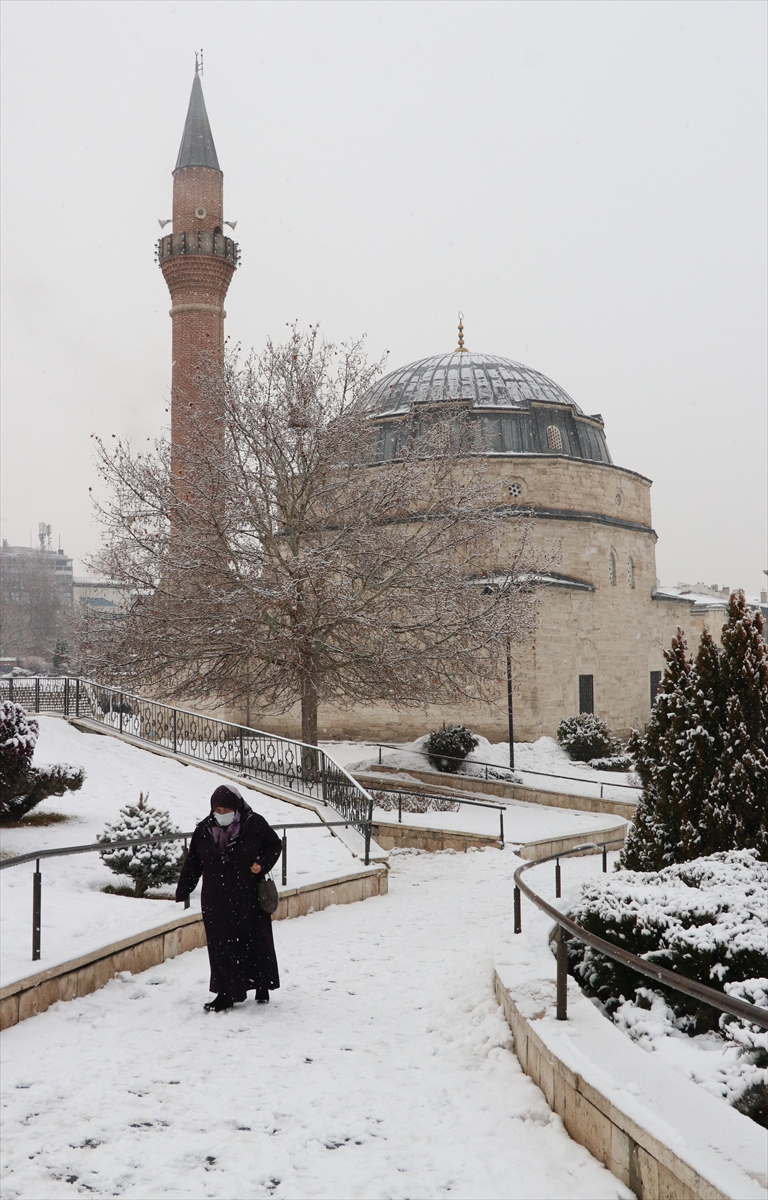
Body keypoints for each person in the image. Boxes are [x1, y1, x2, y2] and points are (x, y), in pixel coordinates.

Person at [176, 783, 282, 1012]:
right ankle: (226, 993)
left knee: (255, 942)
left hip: (248, 897)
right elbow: (193, 861)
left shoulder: (254, 824)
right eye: (218, 810)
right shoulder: (204, 829)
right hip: (216, 899)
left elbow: (274, 844)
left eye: (227, 810)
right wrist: (183, 888)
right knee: (221, 947)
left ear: (236, 807)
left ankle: (261, 983)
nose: (222, 815)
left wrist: (261, 864)